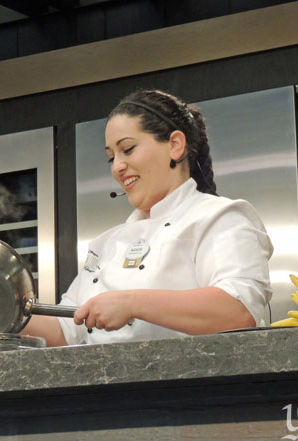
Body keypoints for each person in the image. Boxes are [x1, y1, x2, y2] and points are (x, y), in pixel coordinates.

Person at [23, 89, 273, 346]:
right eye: (111, 157)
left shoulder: (220, 218)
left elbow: (238, 311)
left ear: (175, 145)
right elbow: (66, 330)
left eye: (128, 149)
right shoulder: (107, 244)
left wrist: (131, 303)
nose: (117, 167)